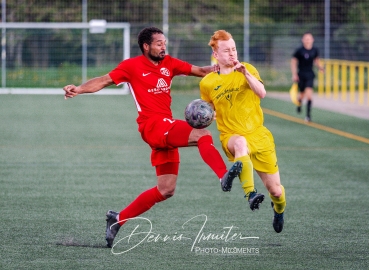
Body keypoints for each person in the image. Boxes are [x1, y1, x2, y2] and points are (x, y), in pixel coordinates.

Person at [63, 27, 242, 248]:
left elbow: (199, 70)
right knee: (202, 134)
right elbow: (104, 80)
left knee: (166, 189)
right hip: (153, 126)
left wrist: (221, 67)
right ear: (146, 46)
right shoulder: (131, 66)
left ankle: (117, 219)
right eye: (159, 43)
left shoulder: (170, 63)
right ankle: (224, 175)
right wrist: (79, 89)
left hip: (165, 128)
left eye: (164, 42)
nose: (163, 46)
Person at [199, 30, 286, 233]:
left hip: (258, 134)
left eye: (234, 49)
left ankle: (279, 209)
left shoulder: (248, 69)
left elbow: (262, 93)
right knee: (240, 144)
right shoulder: (207, 83)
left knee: (276, 190)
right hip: (231, 135)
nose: (232, 54)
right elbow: (207, 111)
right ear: (216, 54)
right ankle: (251, 194)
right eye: (227, 50)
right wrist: (206, 117)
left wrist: (245, 73)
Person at [291, 32, 324, 122]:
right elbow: (293, 62)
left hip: (310, 75)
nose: (307, 40)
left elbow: (316, 60)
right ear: (303, 40)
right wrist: (294, 74)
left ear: (312, 40)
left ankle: (308, 116)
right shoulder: (299, 51)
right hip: (301, 75)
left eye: (309, 39)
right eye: (306, 39)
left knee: (309, 95)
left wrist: (321, 67)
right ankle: (299, 103)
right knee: (301, 94)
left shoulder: (315, 50)